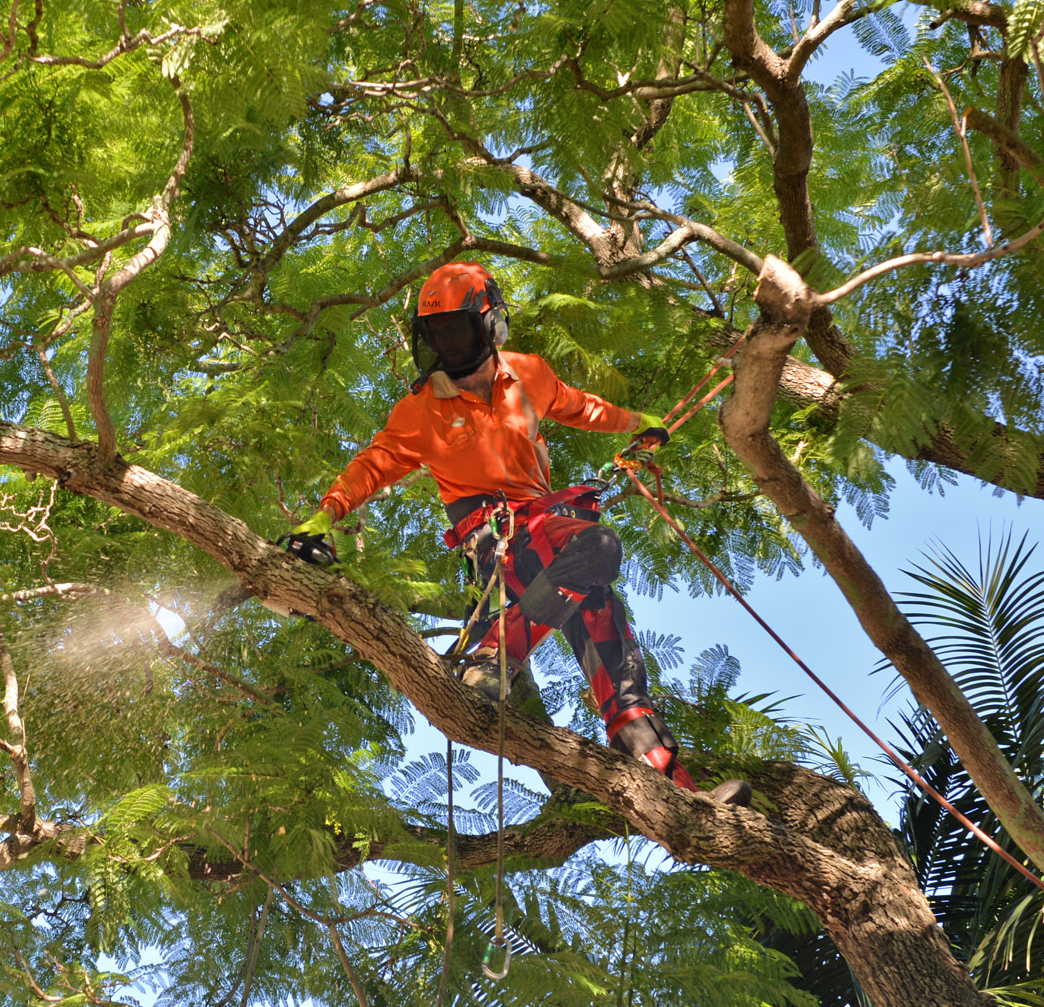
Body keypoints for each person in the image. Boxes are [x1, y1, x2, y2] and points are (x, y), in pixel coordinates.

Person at [291, 261, 750, 808]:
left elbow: (581, 406)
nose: (452, 346)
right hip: (497, 538)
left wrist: (636, 422)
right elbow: (371, 467)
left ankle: (677, 792)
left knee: (611, 634)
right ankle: (492, 656)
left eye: (459, 330)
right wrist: (324, 516)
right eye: (440, 335)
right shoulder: (419, 412)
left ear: (490, 324)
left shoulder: (530, 374)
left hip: (549, 529)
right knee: (597, 546)